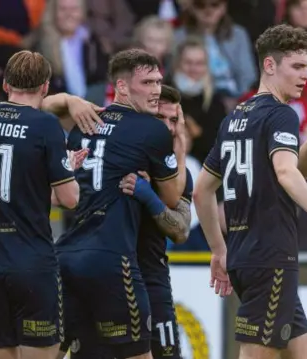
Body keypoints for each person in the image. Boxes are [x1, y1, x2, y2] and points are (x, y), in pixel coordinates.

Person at [193, 24, 307, 359]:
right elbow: (286, 172)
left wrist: (219, 249)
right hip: (271, 258)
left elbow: (202, 192)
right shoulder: (281, 114)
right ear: (270, 66)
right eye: (297, 66)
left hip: (247, 255)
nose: (306, 75)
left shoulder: (233, 119)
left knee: (304, 354)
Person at [56, 48, 185, 359]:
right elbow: (173, 200)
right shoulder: (151, 132)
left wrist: (68, 101)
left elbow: (64, 199)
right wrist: (177, 149)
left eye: (158, 82)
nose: (155, 90)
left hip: (67, 255)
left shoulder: (84, 123)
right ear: (122, 86)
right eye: (148, 82)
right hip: (115, 261)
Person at [0, 50, 81, 359]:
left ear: (5, 84)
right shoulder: (46, 125)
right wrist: (67, 166)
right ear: (45, 87)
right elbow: (69, 199)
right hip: (31, 263)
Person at [120, 84, 193, 358]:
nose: (168, 128)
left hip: (153, 280)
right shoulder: (118, 158)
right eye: (160, 118)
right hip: (112, 279)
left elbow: (181, 230)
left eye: (173, 120)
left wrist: (149, 196)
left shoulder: (178, 174)